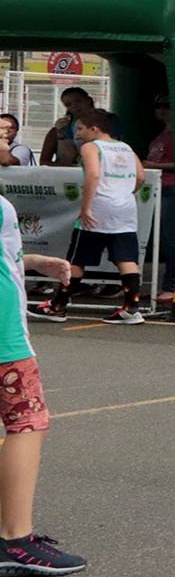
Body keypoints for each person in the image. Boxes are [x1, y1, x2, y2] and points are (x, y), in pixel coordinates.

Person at [0, 193, 88, 574]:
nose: (5, 138)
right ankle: (15, 538)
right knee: (26, 422)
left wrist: (31, 262)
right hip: (4, 336)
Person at [30, 110, 147, 325]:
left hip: (100, 204)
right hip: (125, 207)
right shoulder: (126, 147)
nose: (78, 134)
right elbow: (141, 177)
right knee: (126, 258)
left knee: (78, 257)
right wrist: (124, 191)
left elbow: (92, 174)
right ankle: (132, 306)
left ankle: (59, 305)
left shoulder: (91, 147)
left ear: (94, 129)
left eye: (80, 129)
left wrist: (86, 208)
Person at [143, 96, 175, 303]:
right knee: (163, 239)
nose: (163, 110)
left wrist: (152, 165)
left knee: (171, 239)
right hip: (158, 187)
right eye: (159, 106)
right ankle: (166, 283)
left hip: (170, 187)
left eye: (168, 106)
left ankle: (172, 284)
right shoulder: (161, 135)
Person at [39, 87, 115, 167]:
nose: (74, 106)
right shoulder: (59, 130)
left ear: (88, 100)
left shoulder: (109, 121)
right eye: (68, 104)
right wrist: (67, 167)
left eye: (78, 101)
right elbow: (44, 161)